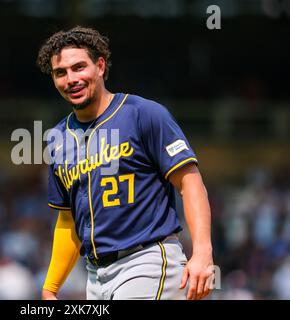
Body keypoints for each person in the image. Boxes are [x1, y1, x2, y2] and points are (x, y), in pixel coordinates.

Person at [36, 26, 214, 300]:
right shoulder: (58, 139)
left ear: (100, 65)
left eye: (79, 67)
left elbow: (190, 182)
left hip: (147, 261)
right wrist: (50, 287)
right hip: (95, 278)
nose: (71, 79)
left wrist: (202, 252)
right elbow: (68, 219)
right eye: (61, 73)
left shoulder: (143, 114)